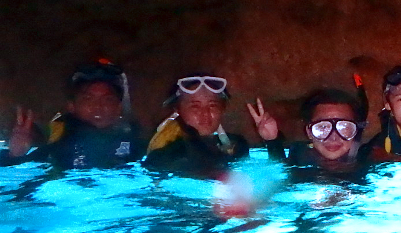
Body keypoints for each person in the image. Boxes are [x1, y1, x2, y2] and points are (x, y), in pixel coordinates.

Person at [1, 60, 144, 169]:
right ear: (72, 106)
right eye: (88, 99)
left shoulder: (136, 139)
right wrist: (15, 155)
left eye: (108, 99)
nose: (98, 106)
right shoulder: (54, 137)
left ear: (119, 108)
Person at [248, 87, 370, 178]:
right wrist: (272, 141)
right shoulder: (300, 156)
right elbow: (279, 177)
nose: (333, 137)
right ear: (309, 132)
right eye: (322, 127)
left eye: (343, 127)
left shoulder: (369, 158)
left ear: (355, 131)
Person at [145, 74, 250, 176]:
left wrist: (267, 138)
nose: (205, 114)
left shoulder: (238, 145)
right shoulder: (164, 157)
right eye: (195, 107)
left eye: (212, 105)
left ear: (223, 108)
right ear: (178, 109)